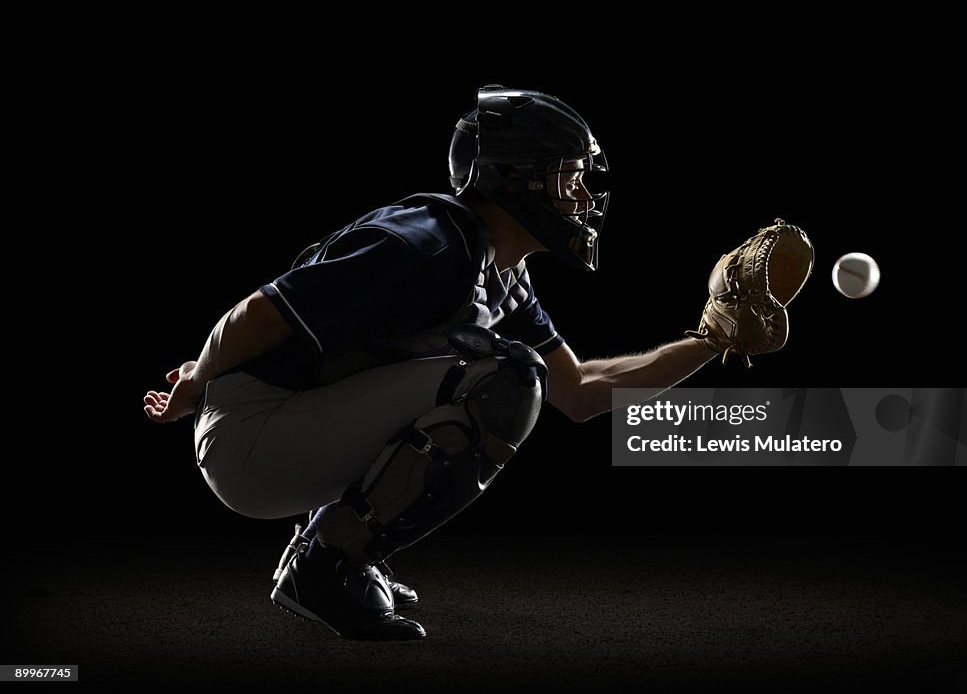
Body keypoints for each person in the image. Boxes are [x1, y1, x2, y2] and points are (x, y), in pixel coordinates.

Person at [142, 85, 720, 641]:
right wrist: (197, 378)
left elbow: (581, 390)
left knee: (510, 374)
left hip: (284, 426)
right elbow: (259, 312)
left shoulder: (500, 271)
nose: (582, 197)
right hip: (251, 435)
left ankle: (328, 546)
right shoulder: (427, 243)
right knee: (503, 378)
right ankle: (325, 566)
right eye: (567, 177)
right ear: (515, 178)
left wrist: (711, 340)